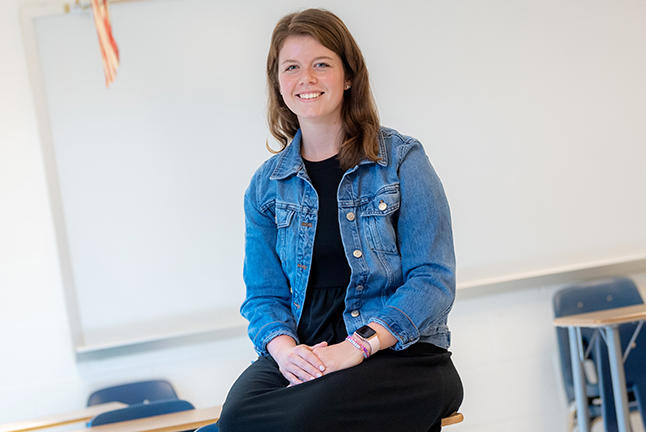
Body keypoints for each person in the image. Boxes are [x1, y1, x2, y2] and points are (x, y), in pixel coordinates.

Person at [216, 8, 463, 432]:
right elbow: (263, 296)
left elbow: (433, 280)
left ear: (348, 76)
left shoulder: (402, 159)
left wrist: (357, 346)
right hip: (308, 349)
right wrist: (286, 352)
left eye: (321, 64)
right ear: (278, 82)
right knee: (237, 418)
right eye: (291, 67)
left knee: (304, 420)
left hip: (399, 353)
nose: (305, 79)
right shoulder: (266, 187)